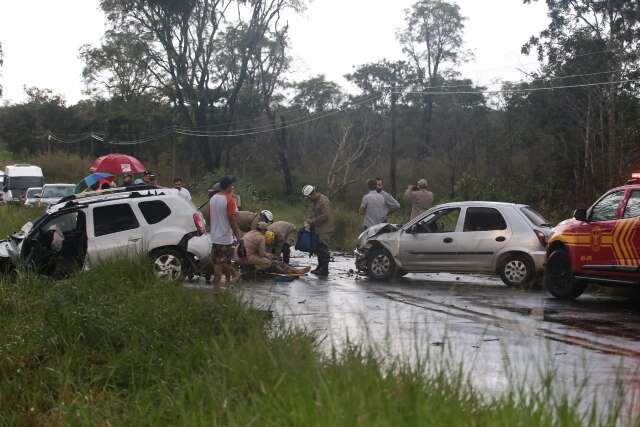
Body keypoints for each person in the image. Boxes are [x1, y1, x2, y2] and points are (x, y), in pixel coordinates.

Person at [237, 223, 310, 275]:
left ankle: (295, 270)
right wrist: (269, 255)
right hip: (246, 258)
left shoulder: (250, 232)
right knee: (270, 263)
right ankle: (291, 271)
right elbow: (262, 254)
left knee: (274, 260)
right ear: (263, 230)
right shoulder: (261, 237)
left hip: (238, 256)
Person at [209, 176, 242, 286]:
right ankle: (235, 274)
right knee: (224, 263)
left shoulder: (213, 199)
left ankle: (220, 289)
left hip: (214, 237)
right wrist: (238, 236)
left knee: (218, 265)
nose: (233, 187)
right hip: (225, 239)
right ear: (228, 186)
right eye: (232, 185)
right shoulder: (230, 200)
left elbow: (210, 216)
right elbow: (232, 220)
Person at [302, 184, 334, 277]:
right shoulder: (315, 201)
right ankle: (320, 267)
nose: (309, 199)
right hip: (318, 228)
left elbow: (325, 216)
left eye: (308, 197)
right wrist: (309, 220)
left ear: (313, 193)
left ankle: (324, 270)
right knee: (318, 249)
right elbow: (314, 213)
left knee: (323, 249)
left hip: (325, 229)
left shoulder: (323, 201)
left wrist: (312, 221)